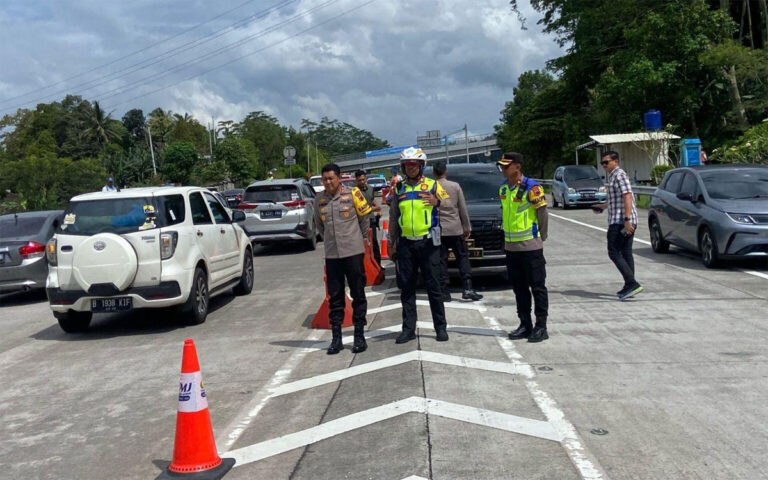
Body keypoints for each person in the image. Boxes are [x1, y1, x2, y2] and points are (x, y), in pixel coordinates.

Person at [389, 147, 450, 344]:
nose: (411, 168)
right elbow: (393, 217)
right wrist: (391, 242)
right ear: (403, 167)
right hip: (406, 244)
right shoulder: (399, 188)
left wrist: (437, 202)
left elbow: (450, 205)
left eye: (414, 165)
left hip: (428, 243)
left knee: (434, 286)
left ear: (421, 166)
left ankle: (440, 328)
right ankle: (408, 329)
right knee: (407, 288)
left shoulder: (433, 185)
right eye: (407, 165)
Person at [314, 163, 373, 354]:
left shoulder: (353, 194)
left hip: (353, 252)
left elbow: (364, 219)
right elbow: (319, 225)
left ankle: (359, 335)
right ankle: (336, 338)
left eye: (331, 178)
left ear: (339, 178)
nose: (328, 182)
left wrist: (360, 239)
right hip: (332, 255)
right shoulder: (319, 199)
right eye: (325, 179)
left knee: (358, 293)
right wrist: (330, 241)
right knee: (335, 297)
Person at [497, 152, 550, 343]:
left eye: (506, 166)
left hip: (530, 246)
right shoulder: (504, 189)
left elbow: (542, 214)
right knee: (519, 288)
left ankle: (541, 326)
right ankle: (525, 324)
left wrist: (540, 236)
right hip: (511, 248)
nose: (502, 170)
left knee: (537, 287)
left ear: (517, 167)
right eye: (501, 166)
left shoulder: (532, 187)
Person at [592, 151, 642, 301]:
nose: (604, 165)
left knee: (613, 251)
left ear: (615, 161)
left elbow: (627, 196)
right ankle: (629, 286)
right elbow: (617, 200)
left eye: (606, 162)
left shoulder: (619, 175)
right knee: (626, 252)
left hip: (620, 221)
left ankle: (632, 283)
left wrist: (627, 220)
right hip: (620, 218)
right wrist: (602, 206)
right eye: (602, 163)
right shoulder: (613, 176)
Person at [433, 161, 482, 302]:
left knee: (441, 260)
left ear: (434, 173)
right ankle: (467, 288)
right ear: (445, 172)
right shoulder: (455, 186)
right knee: (462, 258)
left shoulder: (431, 187)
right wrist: (466, 227)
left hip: (439, 230)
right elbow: (462, 209)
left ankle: (444, 291)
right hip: (455, 228)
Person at [355, 169, 382, 265]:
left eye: (363, 179)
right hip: (360, 221)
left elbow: (372, 200)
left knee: (374, 241)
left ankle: (378, 265)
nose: (362, 182)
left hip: (371, 219)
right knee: (362, 243)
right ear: (356, 180)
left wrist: (379, 209)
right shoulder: (355, 192)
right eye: (359, 180)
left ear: (365, 178)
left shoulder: (370, 189)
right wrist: (374, 209)